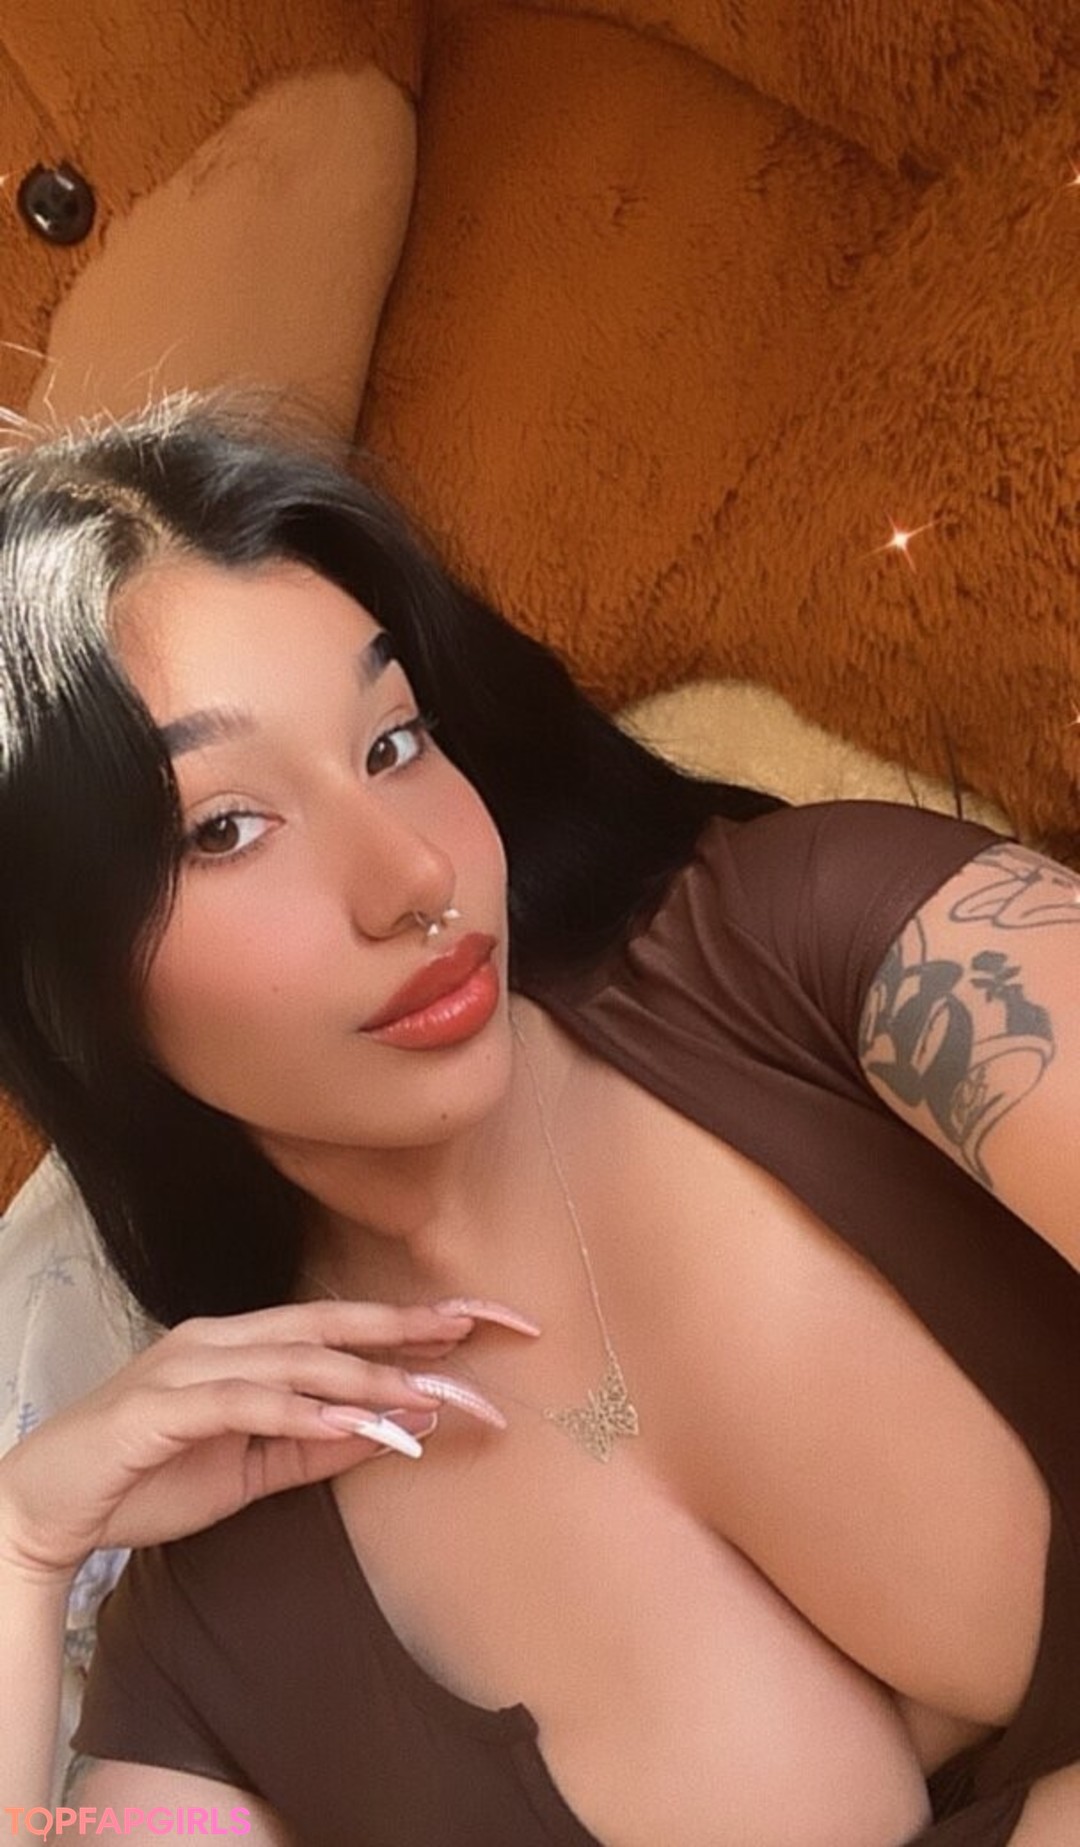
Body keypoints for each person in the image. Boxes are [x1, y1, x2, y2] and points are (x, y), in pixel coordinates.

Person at [0, 398, 1077, 1847]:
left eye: (393, 742)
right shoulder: (221, 1617)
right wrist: (22, 1543)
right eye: (225, 830)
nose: (412, 879)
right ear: (56, 978)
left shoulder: (841, 953)